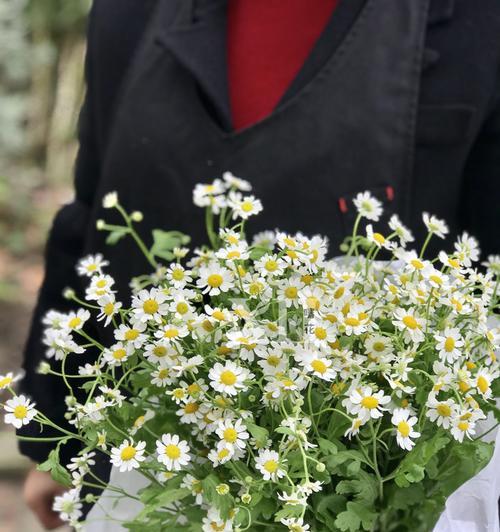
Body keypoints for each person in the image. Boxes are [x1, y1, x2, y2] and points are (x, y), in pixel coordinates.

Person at [18, 0, 500, 528]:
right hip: (137, 471)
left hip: (360, 489)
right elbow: (92, 213)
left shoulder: (477, 24)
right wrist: (55, 434)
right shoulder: (130, 12)